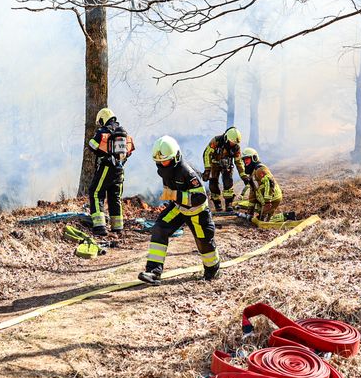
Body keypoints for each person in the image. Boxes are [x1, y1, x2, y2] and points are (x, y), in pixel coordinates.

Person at [139, 136, 222, 284]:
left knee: (204, 242)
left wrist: (175, 195)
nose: (162, 165)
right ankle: (153, 272)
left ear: (175, 157)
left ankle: (212, 270)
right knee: (160, 228)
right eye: (159, 162)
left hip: (197, 212)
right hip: (178, 209)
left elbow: (200, 197)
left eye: (165, 161)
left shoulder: (187, 172)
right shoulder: (164, 168)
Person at [87, 108, 135, 236]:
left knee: (96, 192)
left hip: (106, 167)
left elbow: (91, 145)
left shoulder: (103, 131)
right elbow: (129, 151)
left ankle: (99, 227)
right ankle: (117, 228)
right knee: (115, 197)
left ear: (103, 119)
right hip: (120, 170)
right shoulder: (124, 134)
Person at [202, 126, 245, 211]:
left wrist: (244, 176)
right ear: (226, 138)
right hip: (214, 164)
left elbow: (239, 162)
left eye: (234, 143)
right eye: (231, 142)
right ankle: (217, 204)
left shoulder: (236, 147)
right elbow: (207, 153)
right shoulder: (216, 140)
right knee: (213, 185)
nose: (233, 144)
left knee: (228, 183)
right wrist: (207, 169)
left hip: (227, 165)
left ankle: (228, 203)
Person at [239, 147, 283, 221]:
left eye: (247, 159)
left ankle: (288, 216)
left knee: (264, 221)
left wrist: (267, 202)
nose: (245, 162)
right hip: (264, 200)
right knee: (259, 218)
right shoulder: (252, 173)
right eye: (244, 160)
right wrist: (250, 212)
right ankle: (266, 214)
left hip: (272, 199)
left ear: (254, 158)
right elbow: (253, 193)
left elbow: (270, 182)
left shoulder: (260, 169)